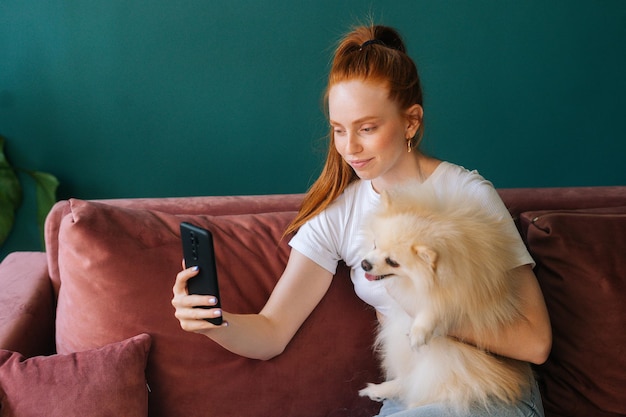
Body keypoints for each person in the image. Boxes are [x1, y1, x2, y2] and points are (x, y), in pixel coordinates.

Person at [172, 24, 552, 417]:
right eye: (339, 130)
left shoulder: (466, 195)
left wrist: (425, 316)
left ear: (411, 121)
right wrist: (214, 324)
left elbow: (535, 342)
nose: (350, 148)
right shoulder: (339, 215)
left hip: (490, 394)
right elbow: (272, 332)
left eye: (367, 128)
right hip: (412, 394)